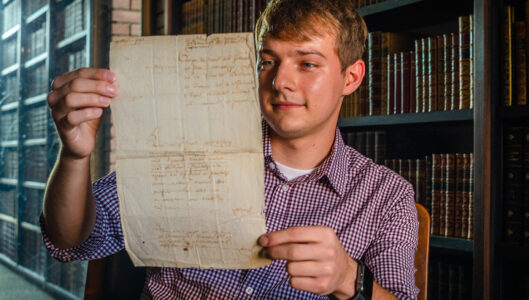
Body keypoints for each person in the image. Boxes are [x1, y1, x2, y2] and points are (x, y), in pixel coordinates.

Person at [42, 0, 419, 299]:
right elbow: (70, 239)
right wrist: (75, 156)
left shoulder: (387, 196)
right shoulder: (190, 148)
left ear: (350, 77)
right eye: (267, 61)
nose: (281, 81)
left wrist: (349, 280)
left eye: (307, 63)